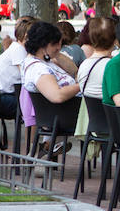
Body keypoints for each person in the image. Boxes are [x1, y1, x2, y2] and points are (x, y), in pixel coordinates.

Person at [20, 21, 81, 154]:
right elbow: (57, 96)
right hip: (66, 115)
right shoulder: (38, 69)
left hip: (64, 112)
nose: (60, 47)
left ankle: (48, 146)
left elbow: (74, 70)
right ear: (42, 45)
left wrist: (55, 53)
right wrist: (81, 86)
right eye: (55, 44)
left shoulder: (44, 61)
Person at [75, 17, 117, 105]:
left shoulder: (84, 65)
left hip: (90, 117)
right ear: (115, 40)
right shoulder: (113, 66)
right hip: (110, 116)